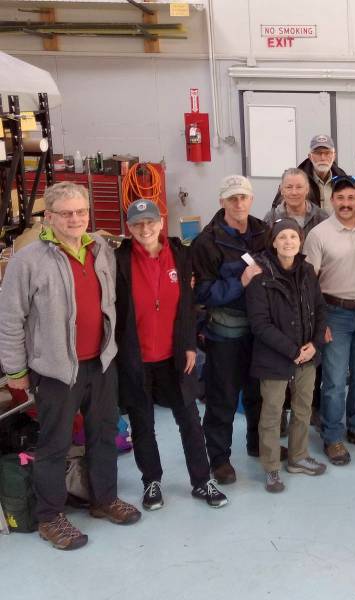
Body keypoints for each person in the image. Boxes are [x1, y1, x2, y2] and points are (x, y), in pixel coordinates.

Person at [0, 182, 140, 550]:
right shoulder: (27, 260)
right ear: (49, 217)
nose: (76, 219)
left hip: (101, 362)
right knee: (54, 444)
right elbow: (11, 318)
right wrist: (16, 372)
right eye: (67, 213)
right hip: (57, 370)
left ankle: (103, 498)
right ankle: (49, 517)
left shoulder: (100, 250)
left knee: (102, 435)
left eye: (81, 212)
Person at [115, 199, 227, 511]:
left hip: (175, 356)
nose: (145, 229)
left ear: (161, 222)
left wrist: (190, 344)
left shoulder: (181, 254)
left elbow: (189, 305)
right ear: (129, 228)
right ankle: (151, 481)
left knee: (189, 419)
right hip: (136, 358)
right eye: (137, 224)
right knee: (142, 423)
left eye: (150, 222)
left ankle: (202, 480)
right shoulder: (118, 259)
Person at [192, 175, 270, 484]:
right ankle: (220, 459)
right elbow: (203, 294)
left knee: (258, 393)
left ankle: (256, 444)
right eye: (232, 198)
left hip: (261, 329)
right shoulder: (206, 242)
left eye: (244, 197)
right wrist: (240, 283)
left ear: (251, 200)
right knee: (222, 396)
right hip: (225, 331)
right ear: (222, 201)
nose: (239, 203)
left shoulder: (264, 232)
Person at [304, 176, 355, 466]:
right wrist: (319, 322)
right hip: (334, 313)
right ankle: (333, 436)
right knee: (335, 380)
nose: (345, 203)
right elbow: (309, 284)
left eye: (350, 197)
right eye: (340, 198)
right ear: (332, 201)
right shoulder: (318, 235)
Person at [246, 218, 329, 493]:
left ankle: (298, 457)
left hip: (308, 355)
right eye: (282, 237)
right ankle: (271, 468)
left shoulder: (307, 270)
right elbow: (260, 324)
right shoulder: (261, 276)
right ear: (273, 242)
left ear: (300, 241)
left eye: (293, 237)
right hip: (275, 358)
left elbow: (320, 309)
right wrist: (293, 350)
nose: (288, 242)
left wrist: (315, 344)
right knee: (271, 413)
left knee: (303, 408)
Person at [271, 134, 349, 210]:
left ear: (334, 156)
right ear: (310, 156)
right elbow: (277, 210)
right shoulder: (295, 179)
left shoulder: (342, 178)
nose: (322, 157)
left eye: (327, 153)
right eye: (318, 153)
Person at [263, 168, 329, 239]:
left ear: (307, 190)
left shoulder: (321, 217)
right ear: (281, 190)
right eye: (289, 187)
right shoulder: (271, 218)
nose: (294, 192)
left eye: (299, 187)